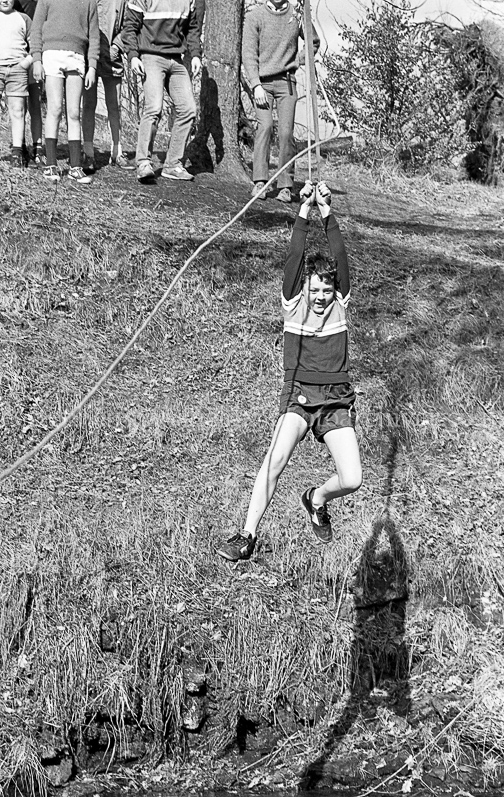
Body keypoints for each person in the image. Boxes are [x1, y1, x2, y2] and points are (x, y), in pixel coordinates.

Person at [216, 181, 362, 562]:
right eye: (314, 289)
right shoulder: (293, 306)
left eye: (326, 290)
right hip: (298, 395)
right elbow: (295, 257)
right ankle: (246, 534)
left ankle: (315, 499)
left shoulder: (340, 306)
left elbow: (340, 257)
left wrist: (326, 211)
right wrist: (302, 212)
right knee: (275, 460)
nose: (320, 296)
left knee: (352, 478)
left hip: (335, 400)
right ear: (305, 288)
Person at [242, 0, 319, 204]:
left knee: (286, 132)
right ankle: (260, 181)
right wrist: (256, 84)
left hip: (287, 82)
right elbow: (248, 54)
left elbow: (313, 42)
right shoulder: (255, 16)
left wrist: (299, 60)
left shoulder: (298, 15)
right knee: (265, 127)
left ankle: (285, 186)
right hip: (262, 85)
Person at [121, 0, 202, 183]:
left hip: (176, 59)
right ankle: (143, 163)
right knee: (154, 107)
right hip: (151, 56)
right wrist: (133, 56)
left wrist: (196, 54)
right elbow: (130, 27)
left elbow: (193, 28)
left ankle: (172, 164)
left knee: (188, 109)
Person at [30, 0, 100, 184]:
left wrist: (92, 66)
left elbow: (94, 37)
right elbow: (36, 29)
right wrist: (36, 59)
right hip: (52, 55)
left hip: (76, 58)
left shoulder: (89, 3)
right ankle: (51, 164)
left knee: (74, 113)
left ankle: (75, 167)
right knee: (54, 109)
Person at [82, 0, 135, 172]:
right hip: (88, 56)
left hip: (111, 57)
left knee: (115, 105)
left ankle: (117, 151)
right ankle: (88, 152)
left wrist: (117, 46)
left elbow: (128, 24)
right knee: (89, 104)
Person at [0, 0, 33, 167]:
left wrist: (26, 62)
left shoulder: (23, 18)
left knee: (17, 110)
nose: (4, 0)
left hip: (17, 69)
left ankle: (17, 152)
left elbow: (36, 43)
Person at [14, 0, 44, 166]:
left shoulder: (36, 3)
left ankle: (38, 147)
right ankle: (21, 146)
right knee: (18, 106)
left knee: (35, 104)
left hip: (34, 57)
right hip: (14, 60)